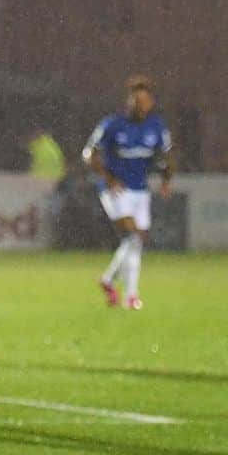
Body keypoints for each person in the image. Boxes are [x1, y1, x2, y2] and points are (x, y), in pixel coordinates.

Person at [82, 76, 174, 310]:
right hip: (116, 191)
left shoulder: (156, 127)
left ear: (150, 103)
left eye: (143, 100)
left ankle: (109, 280)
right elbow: (89, 154)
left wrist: (166, 180)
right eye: (136, 100)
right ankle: (131, 296)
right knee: (133, 237)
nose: (139, 105)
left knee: (135, 242)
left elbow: (166, 156)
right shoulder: (112, 125)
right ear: (129, 102)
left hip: (140, 191)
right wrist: (109, 179)